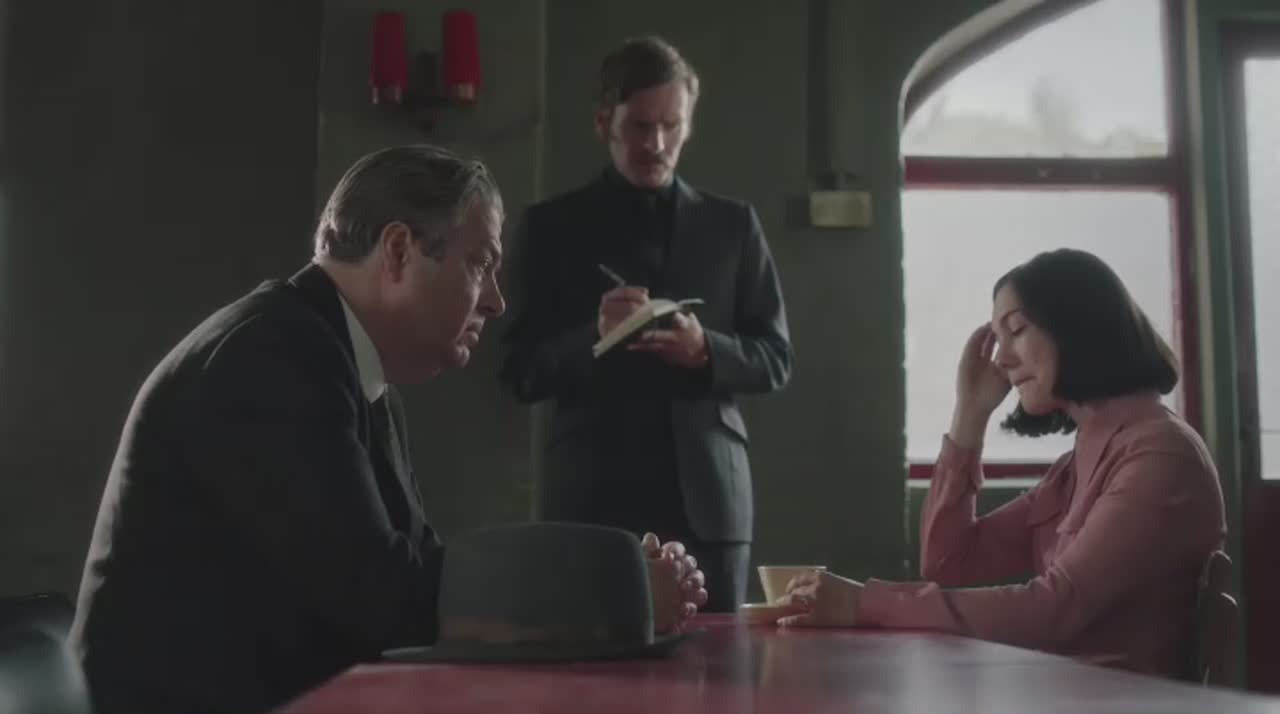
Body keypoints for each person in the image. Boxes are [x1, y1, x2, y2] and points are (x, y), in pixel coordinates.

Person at [68, 145, 707, 714]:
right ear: (399, 251)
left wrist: (613, 581)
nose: (496, 300)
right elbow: (384, 601)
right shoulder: (273, 355)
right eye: (480, 263)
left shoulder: (345, 365)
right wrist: (611, 591)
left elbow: (416, 573)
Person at [778, 248, 1226, 679]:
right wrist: (969, 416)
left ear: (1077, 326)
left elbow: (1055, 609)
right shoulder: (1075, 466)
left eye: (1017, 329)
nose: (1003, 359)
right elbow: (948, 560)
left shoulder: (1159, 453)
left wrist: (866, 603)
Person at [500, 36, 793, 613]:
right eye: (639, 126)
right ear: (603, 122)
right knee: (588, 663)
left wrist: (705, 350)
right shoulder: (552, 228)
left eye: (670, 126)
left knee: (720, 666)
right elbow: (519, 372)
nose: (656, 144)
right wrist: (594, 335)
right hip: (592, 500)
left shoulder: (733, 226)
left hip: (710, 503)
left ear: (688, 124)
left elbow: (776, 358)